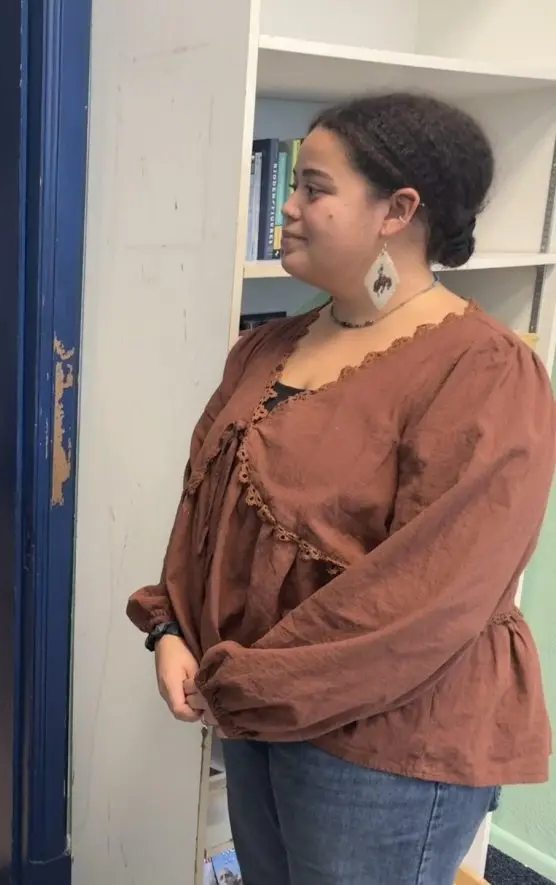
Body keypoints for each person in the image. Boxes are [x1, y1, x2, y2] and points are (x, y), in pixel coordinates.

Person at [127, 92, 556, 885]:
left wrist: (252, 682)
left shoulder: (485, 371)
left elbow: (431, 592)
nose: (285, 208)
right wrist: (173, 629)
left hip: (383, 741)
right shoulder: (266, 349)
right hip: (253, 709)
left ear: (398, 210)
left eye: (313, 188)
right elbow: (203, 514)